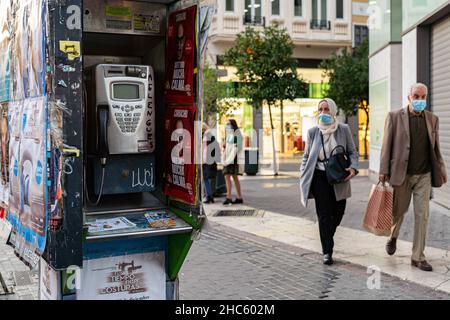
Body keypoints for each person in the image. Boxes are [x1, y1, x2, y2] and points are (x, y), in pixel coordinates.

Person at [379, 83, 447, 272]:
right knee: (398, 212)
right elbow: (386, 146)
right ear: (409, 98)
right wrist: (383, 170)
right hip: (402, 174)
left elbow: (436, 148)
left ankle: (418, 256)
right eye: (416, 96)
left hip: (424, 175)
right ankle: (393, 236)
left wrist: (441, 169)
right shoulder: (394, 117)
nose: (419, 100)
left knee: (422, 215)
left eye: (423, 97)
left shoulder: (432, 119)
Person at [300, 98, 359, 265]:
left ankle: (327, 236)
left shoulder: (343, 129)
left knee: (338, 213)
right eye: (321, 109)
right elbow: (306, 156)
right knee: (324, 215)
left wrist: (353, 168)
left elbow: (352, 152)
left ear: (333, 111)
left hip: (339, 176)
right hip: (319, 177)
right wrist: (303, 174)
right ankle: (327, 251)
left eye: (326, 109)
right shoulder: (313, 132)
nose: (323, 113)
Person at [222, 119, 243, 205]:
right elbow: (228, 147)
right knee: (232, 177)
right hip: (230, 158)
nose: (227, 125)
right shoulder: (230, 135)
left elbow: (236, 148)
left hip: (233, 159)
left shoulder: (236, 134)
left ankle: (230, 197)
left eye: (228, 124)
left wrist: (227, 161)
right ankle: (237, 197)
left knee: (229, 176)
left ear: (233, 125)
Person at [202, 123, 219, 204]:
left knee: (205, 178)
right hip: (207, 161)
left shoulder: (207, 136)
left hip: (207, 161)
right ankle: (209, 195)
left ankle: (209, 196)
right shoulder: (209, 136)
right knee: (206, 179)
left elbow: (206, 150)